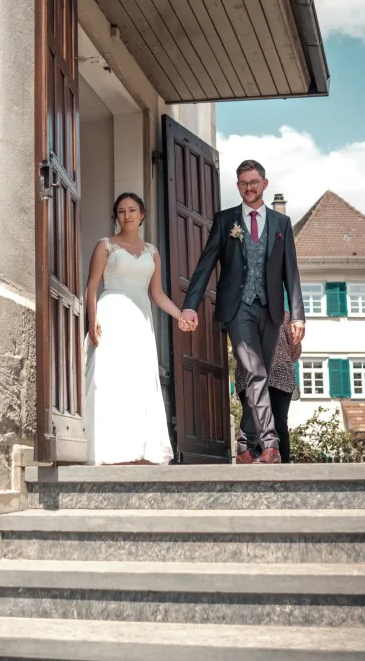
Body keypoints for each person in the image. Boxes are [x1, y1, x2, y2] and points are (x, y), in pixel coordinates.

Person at [180, 160, 305, 465]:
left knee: (254, 376)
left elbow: (291, 271)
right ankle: (270, 444)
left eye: (253, 182)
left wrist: (298, 315)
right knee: (256, 370)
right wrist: (190, 304)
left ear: (264, 183)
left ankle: (243, 442)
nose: (248, 188)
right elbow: (206, 264)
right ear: (237, 186)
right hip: (237, 308)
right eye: (242, 183)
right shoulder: (226, 221)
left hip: (272, 309)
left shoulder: (281, 224)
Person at [85, 192, 188, 465]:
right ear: (116, 216)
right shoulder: (106, 246)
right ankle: (108, 449)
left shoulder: (152, 252)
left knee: (138, 382)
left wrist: (180, 315)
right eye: (121, 211)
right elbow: (92, 286)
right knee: (109, 380)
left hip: (140, 322)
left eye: (132, 210)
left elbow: (158, 294)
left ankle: (139, 449)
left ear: (142, 215)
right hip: (112, 315)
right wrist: (92, 318)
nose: (127, 215)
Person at [235, 311, 302, 463]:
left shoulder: (241, 313)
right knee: (276, 425)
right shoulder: (282, 315)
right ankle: (276, 467)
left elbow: (295, 348)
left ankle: (268, 467)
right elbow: (295, 350)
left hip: (271, 376)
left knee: (257, 422)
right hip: (267, 374)